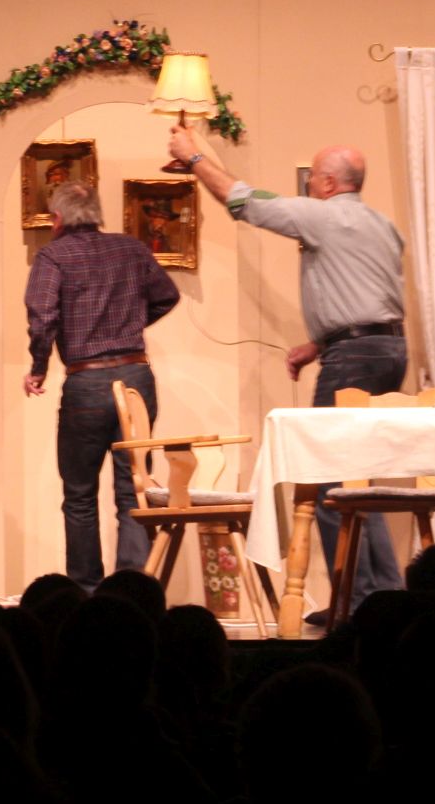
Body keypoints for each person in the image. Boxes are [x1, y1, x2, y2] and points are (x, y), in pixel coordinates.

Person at [169, 126, 408, 621]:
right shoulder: (381, 225)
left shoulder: (323, 216)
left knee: (326, 480)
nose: (309, 187)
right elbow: (370, 298)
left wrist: (193, 157)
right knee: (358, 477)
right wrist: (318, 345)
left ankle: (356, 603)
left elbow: (242, 201)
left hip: (355, 357)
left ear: (328, 182)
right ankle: (384, 596)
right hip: (388, 350)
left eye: (313, 179)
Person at [24, 181, 180, 591]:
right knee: (134, 489)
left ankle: (86, 591)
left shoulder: (53, 256)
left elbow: (43, 318)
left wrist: (38, 367)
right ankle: (132, 592)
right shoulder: (132, 248)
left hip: (86, 382)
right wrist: (130, 325)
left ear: (57, 218)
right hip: (135, 378)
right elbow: (167, 296)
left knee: (79, 494)